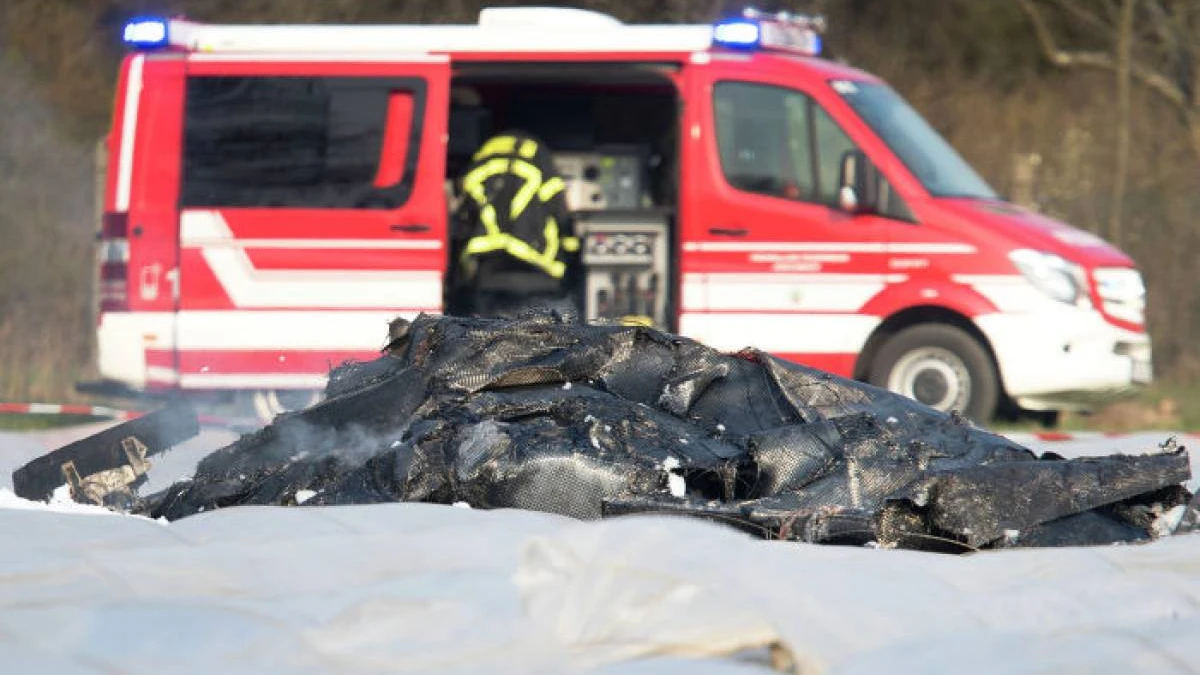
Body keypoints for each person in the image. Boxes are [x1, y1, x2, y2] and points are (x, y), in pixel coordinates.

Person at [449, 130, 581, 319]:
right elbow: (559, 209)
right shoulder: (538, 155)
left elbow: (463, 218)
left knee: (490, 332)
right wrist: (572, 258)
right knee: (546, 332)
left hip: (489, 274)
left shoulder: (482, 159)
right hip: (538, 271)